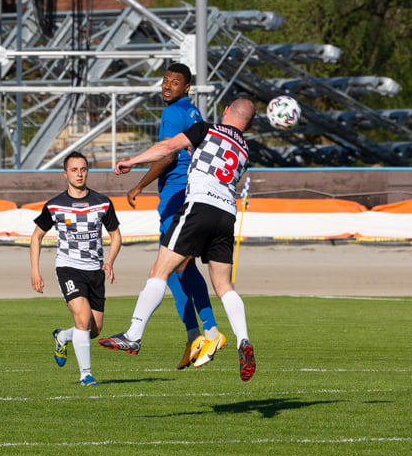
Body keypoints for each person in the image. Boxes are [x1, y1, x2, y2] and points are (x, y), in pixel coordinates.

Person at [98, 99, 257, 381]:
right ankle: (243, 340)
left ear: (227, 110)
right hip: (226, 216)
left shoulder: (205, 129)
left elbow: (168, 147)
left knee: (160, 270)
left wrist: (132, 161)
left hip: (199, 207)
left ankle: (133, 335)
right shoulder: (245, 150)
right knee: (223, 285)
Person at [125, 63, 221, 370]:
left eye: (175, 82)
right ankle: (196, 333)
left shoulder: (172, 115)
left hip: (176, 197)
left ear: (186, 88)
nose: (167, 85)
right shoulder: (193, 114)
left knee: (172, 266)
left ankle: (208, 330)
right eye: (165, 80)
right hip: (190, 193)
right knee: (175, 268)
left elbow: (168, 155)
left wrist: (139, 183)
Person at [30, 151, 122, 386]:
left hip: (95, 270)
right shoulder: (54, 205)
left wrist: (109, 261)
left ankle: (62, 337)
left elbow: (115, 235)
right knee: (82, 319)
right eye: (74, 170)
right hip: (68, 268)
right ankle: (86, 375)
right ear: (65, 174)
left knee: (94, 329)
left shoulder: (102, 202)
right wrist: (35, 271)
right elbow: (37, 237)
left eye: (83, 169)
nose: (79, 174)